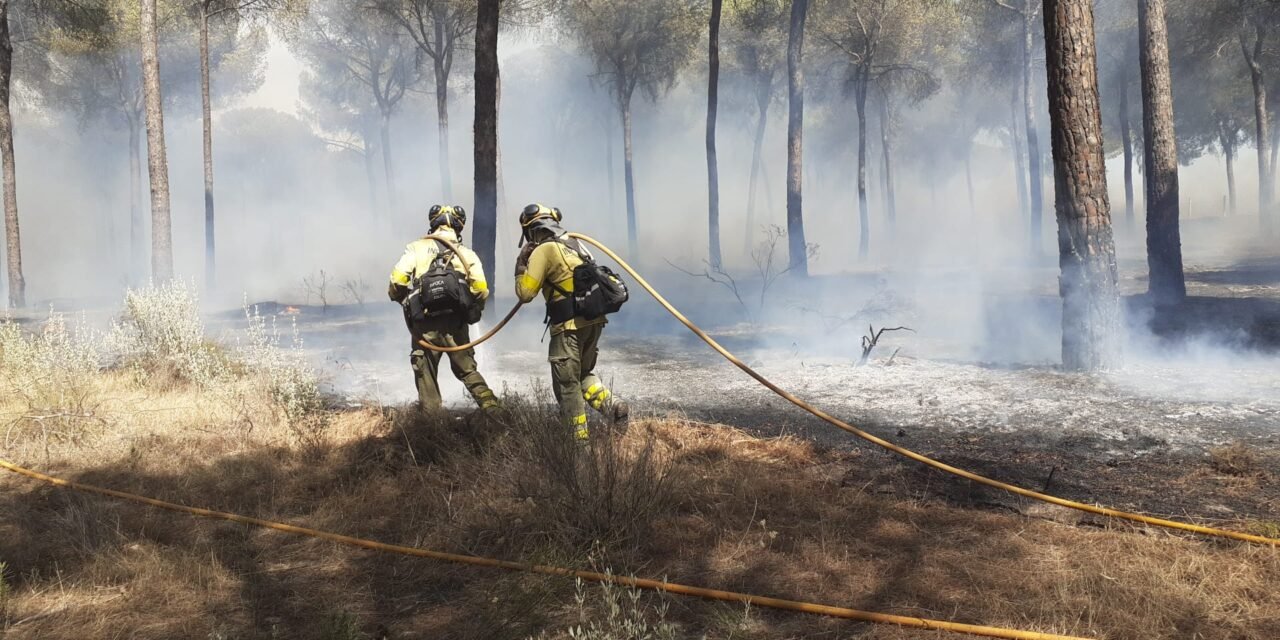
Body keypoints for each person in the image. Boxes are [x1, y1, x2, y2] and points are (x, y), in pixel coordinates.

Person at [514, 203, 628, 440]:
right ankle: (613, 406)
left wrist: (521, 266)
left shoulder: (544, 250)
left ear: (532, 230)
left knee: (566, 386)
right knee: (583, 373)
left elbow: (525, 293)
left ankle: (578, 444)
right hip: (593, 322)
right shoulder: (575, 245)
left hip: (568, 328)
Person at [388, 205, 500, 411]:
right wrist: (473, 312)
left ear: (433, 223)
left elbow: (397, 280)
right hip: (456, 324)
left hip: (424, 324)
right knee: (467, 371)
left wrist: (404, 301)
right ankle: (494, 410)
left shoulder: (416, 248)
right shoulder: (466, 254)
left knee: (426, 373)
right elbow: (481, 289)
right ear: (459, 226)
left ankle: (432, 423)